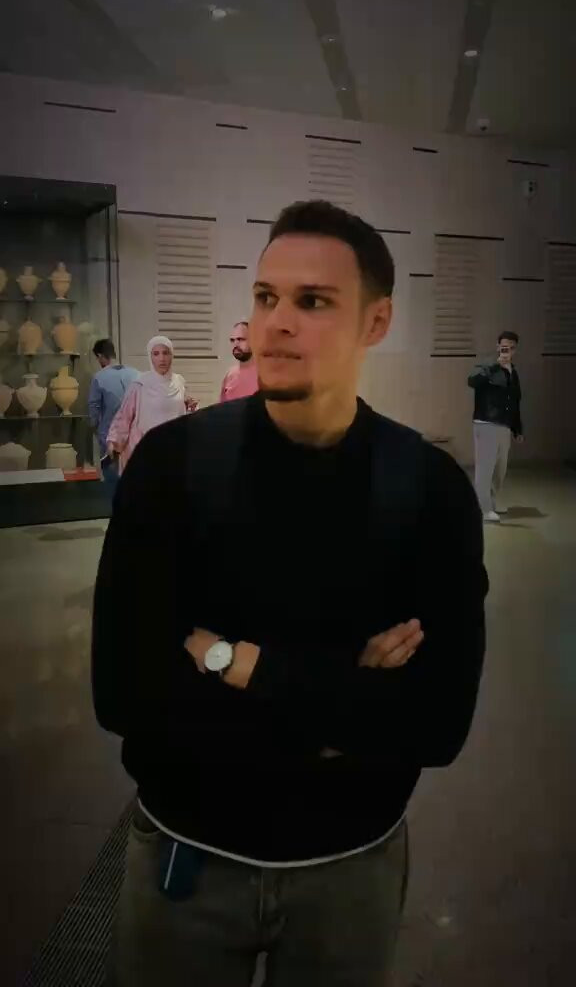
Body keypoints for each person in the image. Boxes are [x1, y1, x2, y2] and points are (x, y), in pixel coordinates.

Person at [93, 200, 488, 987]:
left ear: (376, 322)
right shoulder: (172, 468)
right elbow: (124, 692)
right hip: (187, 857)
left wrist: (232, 661)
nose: (275, 322)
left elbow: (437, 723)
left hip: (350, 867)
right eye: (267, 297)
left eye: (313, 301)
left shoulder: (428, 490)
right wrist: (347, 701)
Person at [106, 335, 195, 474]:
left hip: (173, 449)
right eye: (156, 354)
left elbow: (181, 412)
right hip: (145, 448)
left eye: (166, 353)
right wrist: (114, 441)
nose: (162, 358)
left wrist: (191, 408)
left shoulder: (179, 382)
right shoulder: (140, 385)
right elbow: (124, 416)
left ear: (172, 355)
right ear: (150, 356)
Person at [468, 331, 523, 523]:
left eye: (511, 347)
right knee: (485, 468)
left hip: (504, 426)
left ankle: (490, 502)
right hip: (486, 423)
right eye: (504, 346)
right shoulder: (487, 365)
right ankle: (483, 508)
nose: (507, 350)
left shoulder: (513, 372)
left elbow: (515, 401)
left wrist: (517, 429)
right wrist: (494, 365)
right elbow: (472, 381)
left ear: (515, 350)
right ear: (498, 346)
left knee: (500, 469)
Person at [88, 339, 139, 494]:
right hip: (133, 435)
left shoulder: (99, 377)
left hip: (110, 436)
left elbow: (94, 407)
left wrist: (93, 426)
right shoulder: (136, 374)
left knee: (112, 484)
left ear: (100, 356)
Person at [220, 320, 259, 401]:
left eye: (240, 339)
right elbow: (222, 406)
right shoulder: (230, 375)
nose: (235, 344)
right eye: (232, 340)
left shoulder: (266, 374)